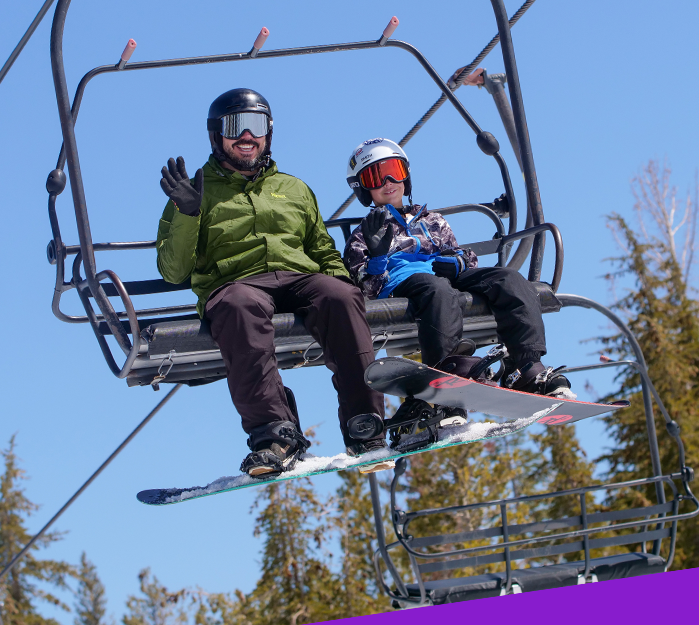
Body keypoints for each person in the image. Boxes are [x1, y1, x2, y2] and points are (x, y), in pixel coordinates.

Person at [156, 89, 391, 478]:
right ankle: (274, 434)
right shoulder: (195, 192)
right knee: (237, 307)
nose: (247, 137)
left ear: (269, 133)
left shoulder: (294, 188)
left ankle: (364, 424)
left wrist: (345, 284)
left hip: (299, 278)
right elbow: (173, 270)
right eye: (236, 126)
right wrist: (187, 213)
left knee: (339, 294)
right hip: (238, 283)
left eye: (257, 126)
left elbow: (322, 249)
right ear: (217, 135)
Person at [342, 139, 572, 414]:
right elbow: (365, 289)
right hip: (404, 284)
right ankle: (447, 371)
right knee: (437, 289)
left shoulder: (432, 220)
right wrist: (378, 258)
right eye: (375, 177)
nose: (388, 181)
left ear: (406, 174)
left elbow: (463, 254)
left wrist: (458, 263)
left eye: (394, 170)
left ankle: (527, 366)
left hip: (444, 278)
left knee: (508, 279)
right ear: (363, 188)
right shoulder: (363, 234)